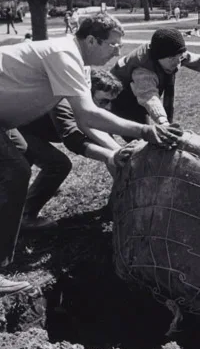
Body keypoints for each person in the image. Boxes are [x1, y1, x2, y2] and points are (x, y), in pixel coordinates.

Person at [0, 12, 182, 295]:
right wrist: (145, 132)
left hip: (4, 122)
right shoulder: (63, 54)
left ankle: (20, 221)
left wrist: (120, 151)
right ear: (91, 39)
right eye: (112, 44)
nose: (118, 50)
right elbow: (87, 116)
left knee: (19, 153)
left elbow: (85, 122)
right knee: (15, 170)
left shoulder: (79, 64)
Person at [16, 69, 124, 230]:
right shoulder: (64, 100)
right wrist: (112, 156)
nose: (108, 108)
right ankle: (25, 217)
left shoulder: (91, 106)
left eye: (110, 102)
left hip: (32, 129)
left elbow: (107, 141)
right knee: (57, 165)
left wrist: (122, 181)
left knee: (26, 167)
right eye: (103, 101)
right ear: (86, 94)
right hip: (16, 127)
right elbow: (72, 139)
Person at [111, 28, 200, 128]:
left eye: (180, 58)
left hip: (139, 93)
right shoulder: (143, 69)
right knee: (143, 137)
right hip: (119, 98)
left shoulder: (173, 53)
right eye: (172, 59)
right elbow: (149, 97)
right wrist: (162, 121)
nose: (178, 63)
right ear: (158, 57)